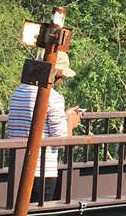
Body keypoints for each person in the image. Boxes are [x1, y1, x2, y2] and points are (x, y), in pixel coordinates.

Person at [6, 51, 82, 201]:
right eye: (61, 76)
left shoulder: (18, 91)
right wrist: (71, 123)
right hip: (42, 170)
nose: (61, 81)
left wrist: (63, 117)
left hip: (17, 168)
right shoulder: (53, 98)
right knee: (39, 212)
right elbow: (61, 140)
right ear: (56, 74)